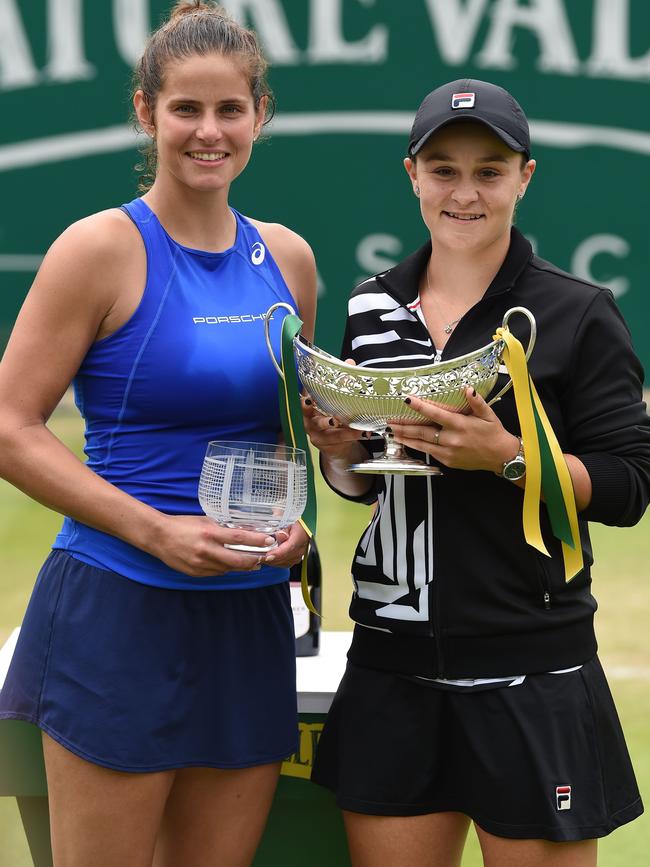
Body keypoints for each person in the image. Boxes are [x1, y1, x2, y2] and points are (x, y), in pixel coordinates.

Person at [0, 2, 316, 865]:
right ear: (146, 111)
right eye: (186, 109)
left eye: (229, 110)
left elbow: (288, 435)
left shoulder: (288, 259)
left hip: (249, 622)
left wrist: (297, 528)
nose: (208, 132)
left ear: (260, 115)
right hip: (119, 612)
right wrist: (153, 529)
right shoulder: (98, 248)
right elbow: (8, 424)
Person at [305, 78, 650, 867]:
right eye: (444, 169)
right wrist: (339, 448)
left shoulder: (577, 311)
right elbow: (365, 480)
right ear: (412, 175)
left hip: (529, 658)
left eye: (489, 170)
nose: (465, 191)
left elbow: (631, 483)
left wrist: (508, 458)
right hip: (391, 657)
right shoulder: (370, 307)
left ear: (524, 177)